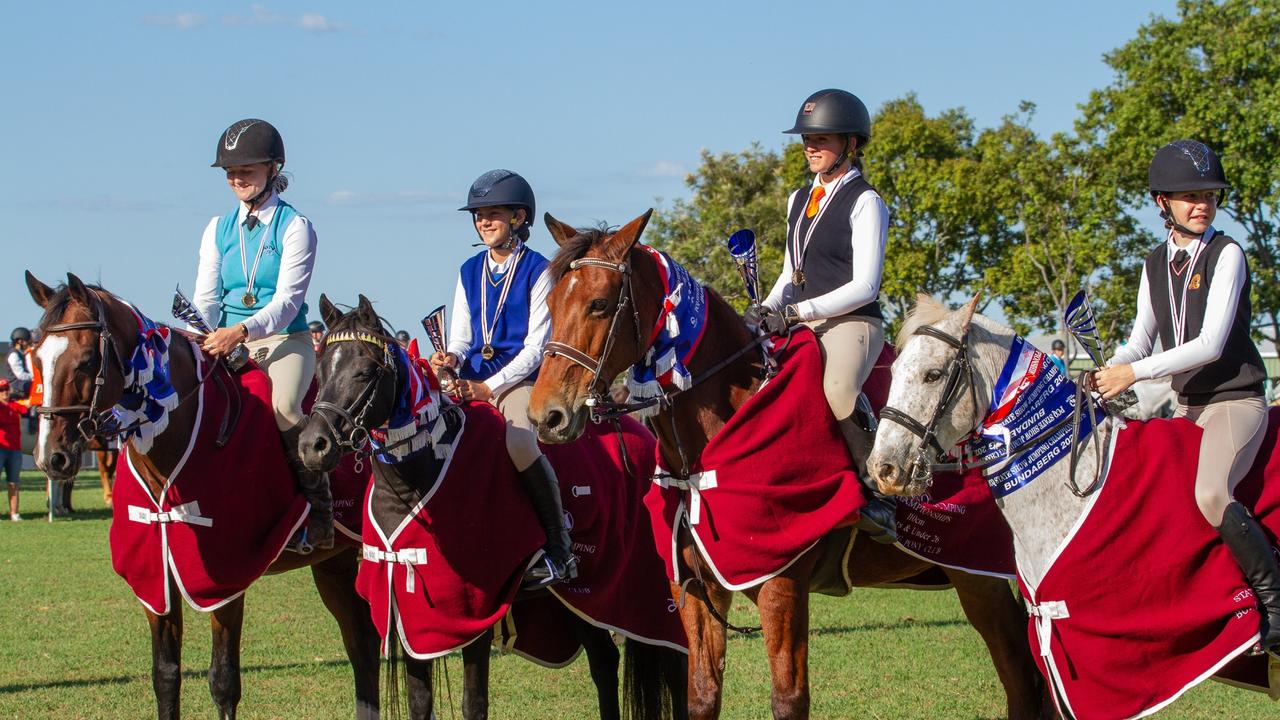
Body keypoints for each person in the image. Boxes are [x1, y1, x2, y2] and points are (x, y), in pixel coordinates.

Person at [1095, 140, 1279, 654]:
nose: (1202, 204)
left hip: (1234, 402)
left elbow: (1209, 345)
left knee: (1212, 495)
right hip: (1186, 407)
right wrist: (1111, 367)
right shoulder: (1154, 262)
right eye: (1190, 195)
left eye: (1210, 195)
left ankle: (1277, 608)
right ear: (1162, 203)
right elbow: (1140, 337)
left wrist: (1134, 372)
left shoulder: (1229, 255)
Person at [752, 89, 896, 543]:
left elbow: (865, 285)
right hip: (800, 318)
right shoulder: (799, 198)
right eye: (807, 139)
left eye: (823, 138)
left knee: (835, 391)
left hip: (853, 322)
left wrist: (798, 311)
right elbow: (789, 270)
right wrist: (767, 309)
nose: (810, 147)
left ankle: (879, 495)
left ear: (852, 144)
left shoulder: (866, 200)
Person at [428, 169, 575, 588]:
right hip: (470, 377)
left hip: (519, 379)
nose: (483, 222)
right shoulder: (468, 270)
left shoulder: (541, 270)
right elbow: (462, 335)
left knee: (518, 441)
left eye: (493, 214)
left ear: (519, 217)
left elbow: (535, 347)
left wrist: (490, 388)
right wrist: (451, 356)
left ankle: (559, 550)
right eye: (478, 215)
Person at [191, 118, 332, 549]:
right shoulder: (217, 228)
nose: (237, 177)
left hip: (284, 340)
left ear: (273, 168)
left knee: (286, 408)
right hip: (226, 338)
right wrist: (201, 329)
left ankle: (319, 512)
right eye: (231, 171)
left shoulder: (296, 226)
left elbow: (289, 301)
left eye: (247, 169)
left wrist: (242, 330)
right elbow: (206, 295)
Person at [0, 380, 28, 521]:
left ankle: (14, 513)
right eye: (1, 390)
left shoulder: (14, 405)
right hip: (1, 449)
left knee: (13, 482)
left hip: (14, 450)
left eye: (6, 389)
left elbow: (27, 406)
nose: (4, 392)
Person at [6, 328, 32, 400]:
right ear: (20, 341)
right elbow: (20, 375)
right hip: (16, 385)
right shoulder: (13, 354)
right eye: (27, 341)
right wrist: (34, 378)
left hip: (21, 383)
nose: (29, 344)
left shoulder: (20, 353)